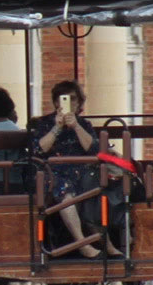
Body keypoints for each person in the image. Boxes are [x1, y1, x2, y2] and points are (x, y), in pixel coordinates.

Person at [29, 80, 119, 257]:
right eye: (66, 99)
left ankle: (107, 242)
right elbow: (39, 150)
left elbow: (94, 150)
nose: (70, 103)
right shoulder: (43, 124)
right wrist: (57, 127)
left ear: (79, 103)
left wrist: (75, 126)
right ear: (56, 102)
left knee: (98, 189)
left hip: (82, 171)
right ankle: (81, 244)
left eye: (74, 99)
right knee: (65, 190)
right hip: (52, 172)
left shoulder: (84, 125)